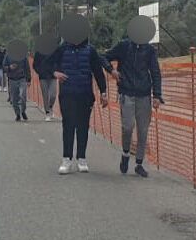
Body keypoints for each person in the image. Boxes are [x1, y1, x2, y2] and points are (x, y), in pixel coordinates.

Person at [106, 37, 164, 177]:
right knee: (128, 126)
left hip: (144, 95)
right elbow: (104, 57)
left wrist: (157, 95)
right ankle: (125, 154)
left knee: (143, 130)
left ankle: (139, 163)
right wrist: (111, 70)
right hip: (127, 93)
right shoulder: (123, 46)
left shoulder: (149, 50)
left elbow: (155, 72)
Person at [52, 39, 112, 174]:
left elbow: (98, 72)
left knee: (83, 126)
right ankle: (66, 159)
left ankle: (81, 158)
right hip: (67, 94)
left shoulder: (90, 50)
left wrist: (103, 92)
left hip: (85, 94)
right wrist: (54, 72)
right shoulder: (62, 49)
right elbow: (47, 64)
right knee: (68, 125)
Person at [32, 49, 59, 121]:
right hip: (43, 77)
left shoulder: (54, 50)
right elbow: (35, 64)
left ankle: (50, 107)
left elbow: (58, 61)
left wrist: (56, 70)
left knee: (53, 95)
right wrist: (40, 71)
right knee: (45, 95)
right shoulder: (39, 52)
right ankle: (47, 113)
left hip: (53, 76)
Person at [4, 53, 31, 122]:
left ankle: (23, 111)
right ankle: (17, 114)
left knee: (23, 95)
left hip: (22, 79)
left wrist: (29, 79)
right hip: (12, 79)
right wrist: (10, 67)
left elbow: (27, 68)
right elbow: (4, 67)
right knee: (14, 99)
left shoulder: (23, 56)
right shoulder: (8, 56)